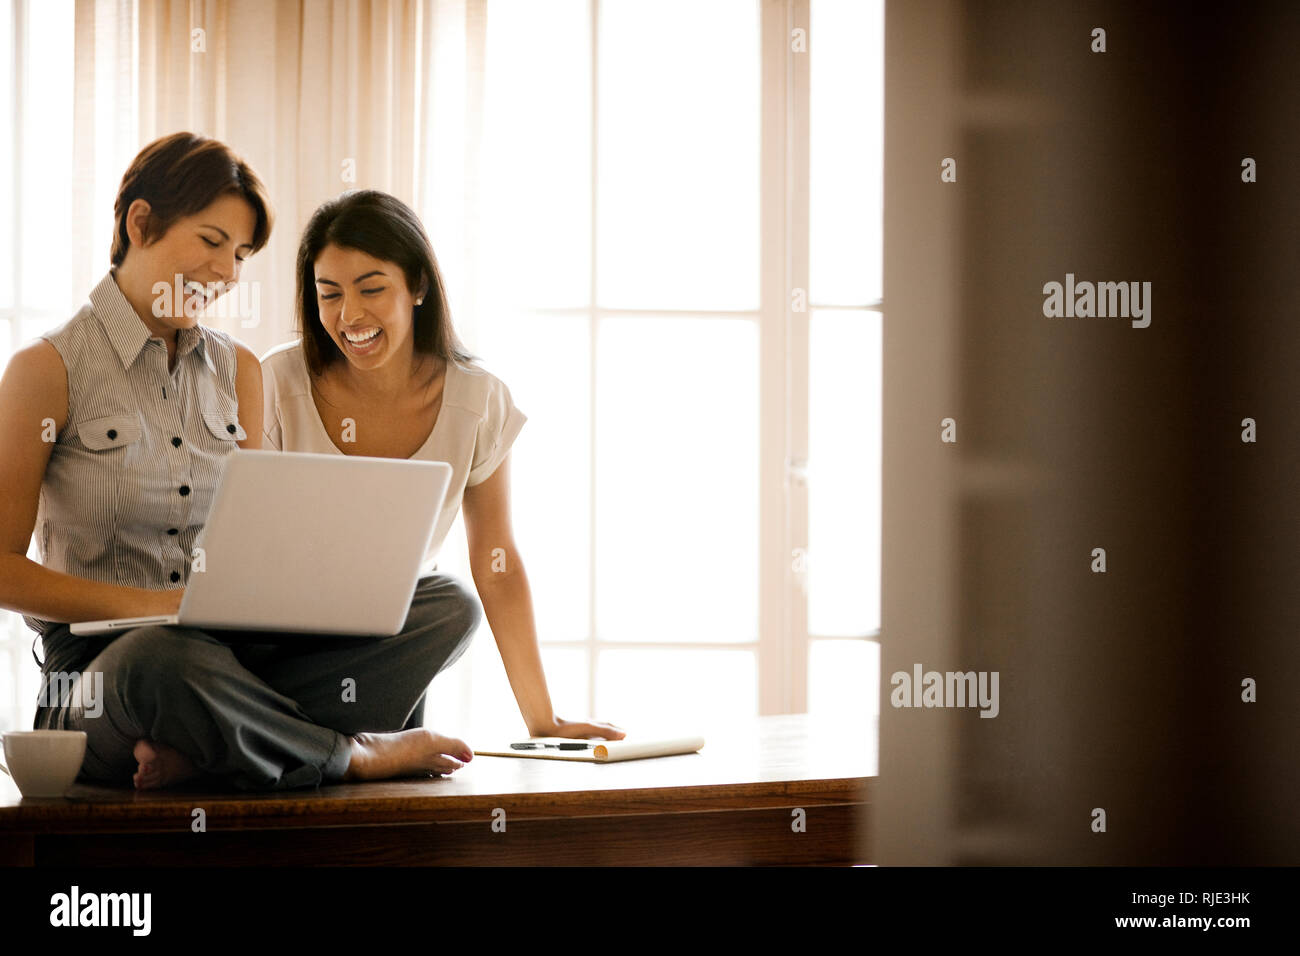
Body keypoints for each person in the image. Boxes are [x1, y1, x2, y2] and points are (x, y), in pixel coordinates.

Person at [0, 133, 478, 792]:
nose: (228, 272)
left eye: (243, 254)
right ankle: (348, 754)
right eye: (212, 241)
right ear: (140, 223)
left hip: (235, 661)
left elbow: (261, 540)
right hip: (102, 678)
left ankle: (215, 748)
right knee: (156, 657)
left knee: (442, 603)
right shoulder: (44, 370)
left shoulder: (239, 371)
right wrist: (157, 605)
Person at [261, 189, 625, 762]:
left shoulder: (476, 400)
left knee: (448, 601)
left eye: (372, 289)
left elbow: (495, 562)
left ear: (419, 287)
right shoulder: (276, 382)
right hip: (279, 638)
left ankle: (276, 745)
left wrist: (543, 719)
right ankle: (326, 750)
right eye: (329, 294)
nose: (349, 316)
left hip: (389, 644)